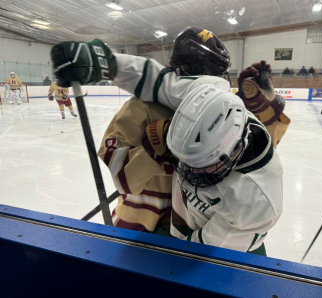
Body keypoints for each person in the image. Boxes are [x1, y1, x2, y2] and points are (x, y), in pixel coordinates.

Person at [50, 28, 285, 255]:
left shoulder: (221, 103)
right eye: (206, 72)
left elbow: (256, 155)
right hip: (147, 220)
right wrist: (106, 63)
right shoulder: (144, 107)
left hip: (201, 228)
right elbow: (122, 176)